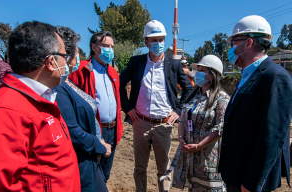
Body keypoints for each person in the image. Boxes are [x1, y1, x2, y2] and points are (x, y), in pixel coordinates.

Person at [0, 21, 81, 191]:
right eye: (64, 57)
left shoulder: (43, 97)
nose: (67, 64)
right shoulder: (6, 111)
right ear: (51, 62)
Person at [218, 15, 292, 192]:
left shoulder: (275, 77)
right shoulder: (248, 75)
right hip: (236, 172)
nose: (232, 49)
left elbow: (272, 136)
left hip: (250, 180)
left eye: (234, 43)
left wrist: (252, 182)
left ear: (249, 43)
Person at [120, 20, 194, 192]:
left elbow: (188, 88)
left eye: (161, 40)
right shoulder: (136, 62)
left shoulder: (173, 64)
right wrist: (128, 108)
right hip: (140, 122)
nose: (158, 44)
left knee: (164, 169)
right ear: (146, 42)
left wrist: (178, 110)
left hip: (164, 124)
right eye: (154, 40)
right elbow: (120, 84)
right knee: (140, 168)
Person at [54, 26, 110, 192]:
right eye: (76, 50)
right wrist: (99, 145)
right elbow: (72, 130)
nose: (78, 54)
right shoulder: (58, 88)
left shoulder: (67, 82)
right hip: (82, 158)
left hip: (91, 157)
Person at [69, 31, 123, 181]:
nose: (110, 50)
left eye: (112, 46)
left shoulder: (113, 72)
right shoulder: (81, 70)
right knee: (91, 174)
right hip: (92, 131)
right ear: (94, 47)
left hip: (112, 130)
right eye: (106, 46)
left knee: (105, 175)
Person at [172, 55, 230, 191]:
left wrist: (198, 146)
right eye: (198, 69)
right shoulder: (193, 96)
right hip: (190, 158)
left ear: (212, 75)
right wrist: (181, 138)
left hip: (208, 160)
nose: (197, 73)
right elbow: (182, 119)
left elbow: (219, 129)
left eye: (202, 70)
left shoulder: (222, 99)